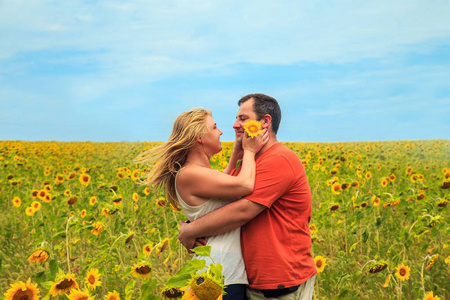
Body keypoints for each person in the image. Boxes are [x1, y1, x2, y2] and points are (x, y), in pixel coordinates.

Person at [178, 94, 317, 299]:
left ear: (265, 122)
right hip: (251, 280)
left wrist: (189, 231)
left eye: (243, 118)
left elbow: (242, 211)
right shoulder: (249, 164)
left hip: (281, 280)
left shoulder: (279, 159)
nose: (234, 125)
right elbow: (216, 205)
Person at [135, 107, 269, 299]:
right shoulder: (189, 174)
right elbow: (245, 185)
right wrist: (249, 150)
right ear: (199, 136)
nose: (221, 131)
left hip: (223, 272)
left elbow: (219, 189)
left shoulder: (195, 172)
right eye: (214, 127)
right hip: (220, 275)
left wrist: (237, 152)